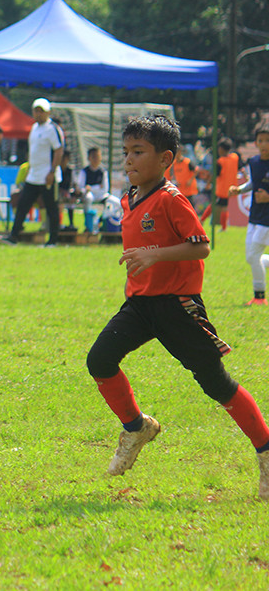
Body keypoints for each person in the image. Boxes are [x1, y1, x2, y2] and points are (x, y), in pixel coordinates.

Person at [86, 115, 269, 498]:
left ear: (166, 158)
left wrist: (155, 255)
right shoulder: (129, 197)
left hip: (177, 306)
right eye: (126, 152)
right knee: (99, 360)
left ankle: (266, 450)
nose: (129, 160)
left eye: (139, 152)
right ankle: (137, 428)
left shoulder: (172, 199)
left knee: (216, 383)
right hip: (139, 305)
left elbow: (201, 245)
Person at [4, 98, 63, 246]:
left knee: (51, 208)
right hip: (33, 175)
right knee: (23, 204)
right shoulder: (34, 128)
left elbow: (58, 150)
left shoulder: (53, 129)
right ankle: (13, 236)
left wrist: (52, 172)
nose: (38, 113)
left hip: (47, 176)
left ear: (48, 112)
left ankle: (52, 240)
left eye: (41, 111)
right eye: (36, 110)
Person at [227, 122, 269, 306]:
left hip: (267, 219)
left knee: (253, 256)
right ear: (256, 143)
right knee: (250, 257)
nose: (264, 144)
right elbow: (253, 183)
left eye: (268, 140)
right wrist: (240, 189)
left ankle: (259, 297)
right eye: (261, 140)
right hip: (254, 215)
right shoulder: (253, 162)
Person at [200, 137, 240, 231]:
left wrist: (208, 183)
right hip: (231, 188)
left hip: (221, 189)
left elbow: (215, 175)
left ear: (221, 149)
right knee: (223, 207)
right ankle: (223, 227)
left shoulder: (220, 162)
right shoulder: (235, 157)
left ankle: (202, 220)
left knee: (215, 205)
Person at [76, 147, 111, 233]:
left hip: (100, 195)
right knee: (88, 198)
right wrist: (96, 187)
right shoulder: (84, 171)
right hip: (89, 195)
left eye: (98, 156)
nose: (96, 159)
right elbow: (81, 188)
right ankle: (89, 226)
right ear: (89, 158)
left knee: (114, 201)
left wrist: (92, 188)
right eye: (93, 157)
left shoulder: (103, 172)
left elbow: (105, 189)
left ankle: (104, 224)